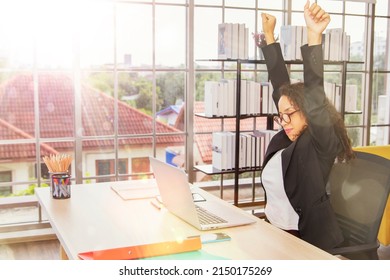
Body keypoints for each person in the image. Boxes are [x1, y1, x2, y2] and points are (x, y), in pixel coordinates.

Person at [260, 1, 354, 250]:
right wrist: (269, 36)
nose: (284, 122)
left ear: (309, 112)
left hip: (303, 243)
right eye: (281, 116)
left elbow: (314, 96)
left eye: (290, 114)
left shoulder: (319, 143)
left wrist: (314, 36)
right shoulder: (286, 136)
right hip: (271, 230)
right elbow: (279, 84)